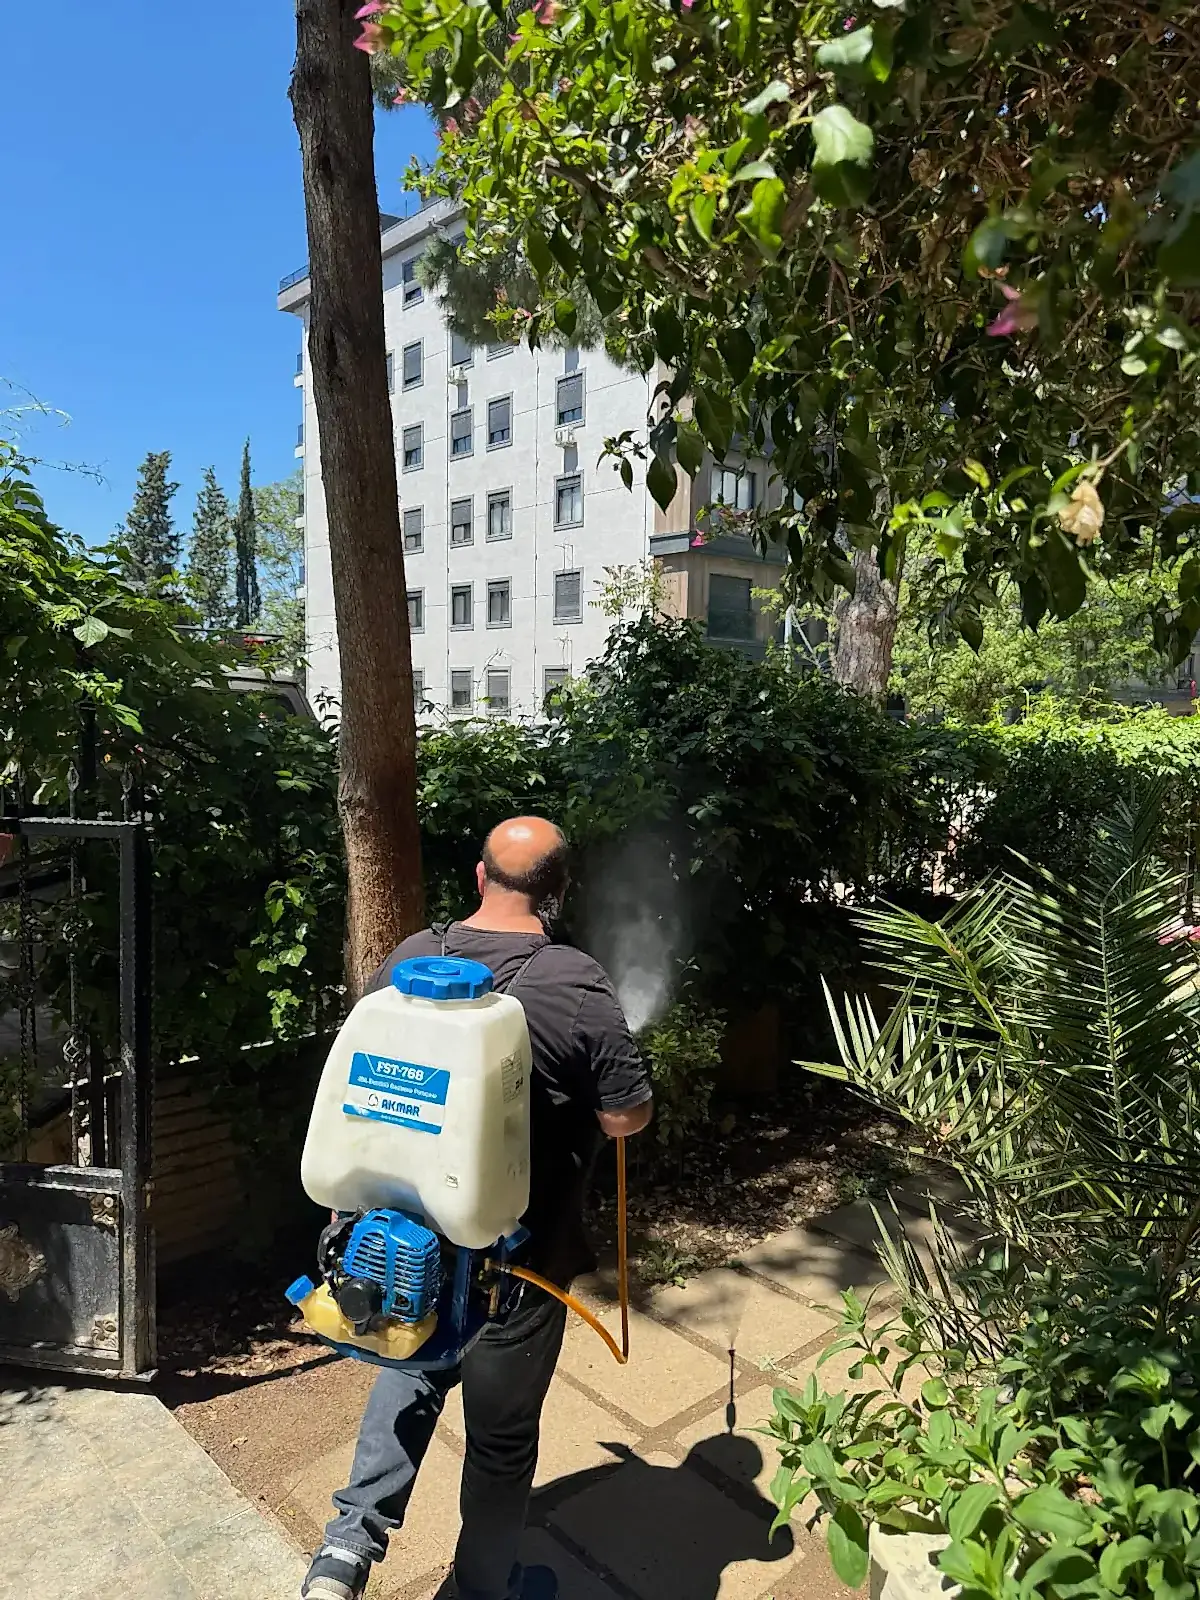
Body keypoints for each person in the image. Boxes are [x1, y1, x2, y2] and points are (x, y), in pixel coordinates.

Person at [302, 816, 654, 1600]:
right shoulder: (575, 982)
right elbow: (625, 1118)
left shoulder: (410, 957)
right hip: (521, 1263)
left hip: (397, 1244)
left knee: (411, 1364)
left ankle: (344, 1553)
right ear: (559, 891)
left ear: (479, 875)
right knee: (500, 1443)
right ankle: (483, 1591)